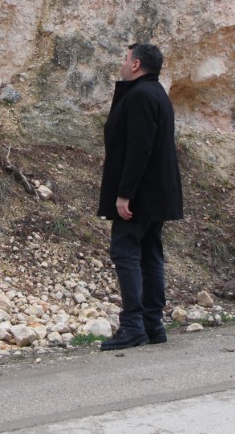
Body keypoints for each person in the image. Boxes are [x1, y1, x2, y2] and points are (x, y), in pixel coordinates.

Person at [98, 43, 184, 350]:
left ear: (136, 65)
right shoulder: (157, 93)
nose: (123, 64)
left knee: (125, 251)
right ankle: (152, 324)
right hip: (156, 192)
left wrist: (124, 194)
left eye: (126, 59)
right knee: (149, 252)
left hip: (141, 193)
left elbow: (139, 148)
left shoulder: (140, 96)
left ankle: (133, 325)